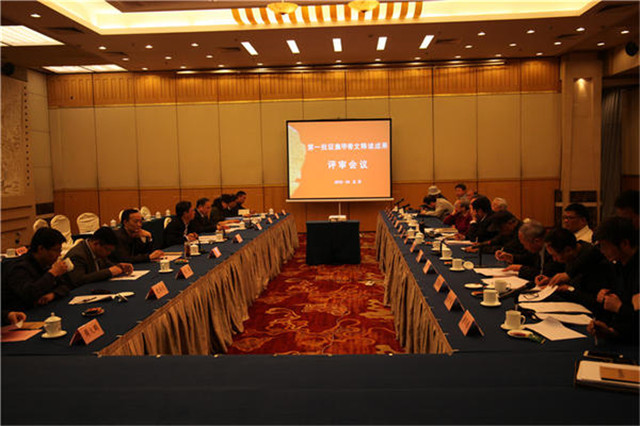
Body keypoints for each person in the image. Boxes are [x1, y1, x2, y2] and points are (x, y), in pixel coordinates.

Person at [587, 217, 638, 343]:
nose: (602, 251)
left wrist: (619, 308)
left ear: (624, 244)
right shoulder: (618, 266)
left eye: (604, 246)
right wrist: (607, 329)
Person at [541, 228, 612, 312]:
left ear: (568, 250)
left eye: (555, 255)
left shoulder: (594, 262)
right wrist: (551, 281)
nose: (554, 259)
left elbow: (596, 301)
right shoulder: (572, 257)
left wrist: (569, 289)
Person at [2, 228, 73, 311]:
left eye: (60, 250)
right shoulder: (19, 268)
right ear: (41, 249)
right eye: (56, 250)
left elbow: (66, 286)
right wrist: (52, 273)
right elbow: (29, 294)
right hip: (20, 313)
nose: (59, 254)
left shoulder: (45, 264)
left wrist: (53, 295)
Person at [496, 219, 563, 281]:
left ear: (537, 241)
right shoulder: (538, 248)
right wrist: (511, 258)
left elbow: (544, 274)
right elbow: (529, 258)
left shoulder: (552, 250)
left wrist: (520, 268)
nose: (525, 247)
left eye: (524, 244)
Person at [65, 227, 133, 286]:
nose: (109, 253)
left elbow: (106, 264)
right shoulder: (78, 255)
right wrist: (109, 272)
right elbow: (79, 280)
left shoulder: (97, 251)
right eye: (107, 250)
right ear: (96, 243)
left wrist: (119, 266)